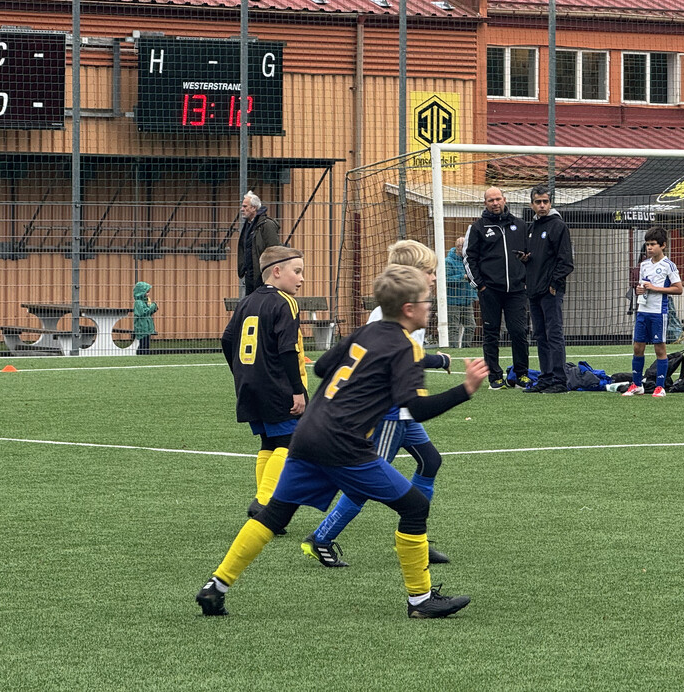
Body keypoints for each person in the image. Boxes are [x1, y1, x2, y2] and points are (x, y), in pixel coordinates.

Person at [197, 264, 487, 620]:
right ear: (409, 308)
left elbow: (322, 368)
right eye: (427, 301)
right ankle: (420, 600)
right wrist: (465, 389)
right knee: (414, 507)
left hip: (307, 433)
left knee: (276, 513)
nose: (431, 307)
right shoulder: (405, 348)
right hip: (344, 444)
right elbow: (417, 409)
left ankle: (216, 586)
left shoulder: (365, 332)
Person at [302, 240, 454, 568]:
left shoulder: (412, 308)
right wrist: (439, 363)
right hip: (387, 412)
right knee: (366, 481)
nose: (433, 278)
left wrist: (436, 360)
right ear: (410, 273)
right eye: (429, 271)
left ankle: (416, 537)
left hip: (403, 411)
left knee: (430, 461)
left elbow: (409, 358)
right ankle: (321, 537)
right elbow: (382, 359)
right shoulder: (387, 315)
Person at [220, 245, 308, 522]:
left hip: (249, 384)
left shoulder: (247, 301)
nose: (302, 278)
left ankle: (264, 504)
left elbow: (226, 339)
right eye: (297, 271)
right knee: (290, 442)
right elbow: (287, 349)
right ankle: (263, 502)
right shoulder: (285, 302)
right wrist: (297, 390)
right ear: (277, 271)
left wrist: (240, 373)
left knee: (269, 442)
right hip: (277, 385)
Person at [464, 186, 530, 388]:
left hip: (516, 291)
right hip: (490, 291)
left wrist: (526, 279)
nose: (495, 203)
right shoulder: (477, 227)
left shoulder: (520, 225)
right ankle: (495, 377)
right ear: (485, 203)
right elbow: (469, 258)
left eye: (498, 199)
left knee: (519, 331)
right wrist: (480, 286)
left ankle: (521, 374)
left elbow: (530, 255)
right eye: (491, 200)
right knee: (491, 333)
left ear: (504, 199)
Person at [521, 186, 575, 395]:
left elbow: (566, 261)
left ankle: (559, 380)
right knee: (540, 335)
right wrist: (525, 260)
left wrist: (554, 284)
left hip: (550, 291)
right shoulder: (532, 228)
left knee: (554, 334)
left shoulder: (558, 226)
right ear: (531, 205)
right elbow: (536, 258)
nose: (542, 205)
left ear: (550, 203)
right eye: (538, 202)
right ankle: (545, 377)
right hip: (534, 290)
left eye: (545, 202)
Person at [623, 226, 684, 398]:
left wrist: (655, 288)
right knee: (638, 347)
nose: (649, 248)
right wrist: (639, 290)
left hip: (658, 312)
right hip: (643, 310)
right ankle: (636, 385)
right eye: (647, 244)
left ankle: (660, 386)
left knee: (659, 349)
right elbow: (643, 286)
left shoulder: (668, 265)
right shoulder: (644, 265)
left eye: (653, 244)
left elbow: (678, 289)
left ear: (663, 245)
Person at [237, 191, 280, 295]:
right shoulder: (248, 225)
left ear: (253, 208)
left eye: (245, 206)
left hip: (262, 277)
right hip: (250, 276)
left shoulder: (266, 225)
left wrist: (268, 274)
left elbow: (274, 251)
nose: (242, 209)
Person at [445, 236, 477, 347]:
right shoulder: (448, 262)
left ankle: (465, 348)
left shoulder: (469, 261)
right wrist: (462, 277)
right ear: (458, 247)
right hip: (453, 301)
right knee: (453, 327)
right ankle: (453, 349)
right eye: (464, 246)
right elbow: (446, 279)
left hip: (467, 300)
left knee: (471, 326)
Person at [132, 280, 158, 354]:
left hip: (146, 327)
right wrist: (153, 306)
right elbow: (143, 312)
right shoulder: (138, 302)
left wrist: (154, 308)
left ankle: (145, 355)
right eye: (147, 292)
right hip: (142, 326)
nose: (148, 294)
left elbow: (148, 312)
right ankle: (141, 354)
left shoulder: (144, 301)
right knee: (143, 344)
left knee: (146, 344)